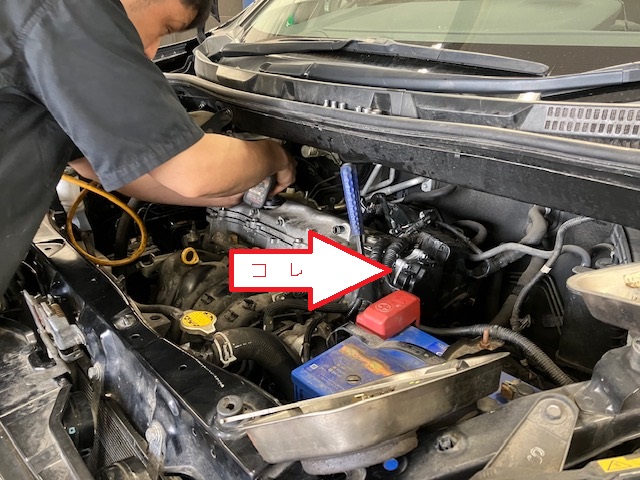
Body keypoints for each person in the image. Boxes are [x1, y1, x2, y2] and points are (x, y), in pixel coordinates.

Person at [0, 0, 296, 295]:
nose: (153, 51)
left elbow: (103, 169)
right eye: (166, 28)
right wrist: (275, 156)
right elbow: (193, 171)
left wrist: (220, 197)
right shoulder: (72, 11)